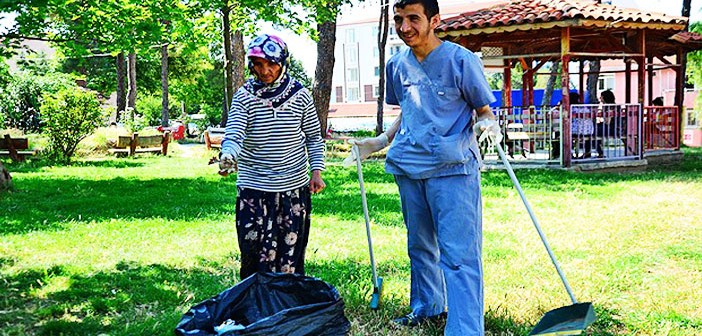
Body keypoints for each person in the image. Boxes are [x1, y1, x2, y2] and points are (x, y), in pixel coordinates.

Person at [345, 0, 500, 334]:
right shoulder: (396, 65)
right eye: (399, 20)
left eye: (413, 19)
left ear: (434, 20)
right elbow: (411, 108)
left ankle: (464, 328)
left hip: (452, 168)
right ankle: (427, 308)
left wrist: (487, 122)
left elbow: (483, 109)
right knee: (419, 245)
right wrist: (381, 140)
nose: (405, 28)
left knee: (459, 254)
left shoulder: (461, 60)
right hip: (408, 165)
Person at [217, 34, 326, 280]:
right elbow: (234, 132)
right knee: (252, 251)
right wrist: (228, 155)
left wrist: (316, 172)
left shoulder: (300, 95)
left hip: (292, 188)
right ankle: (254, 302)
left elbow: (313, 136)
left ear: (283, 63)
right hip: (253, 188)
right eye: (258, 64)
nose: (265, 71)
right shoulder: (244, 96)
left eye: (272, 64)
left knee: (289, 253)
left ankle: (285, 301)